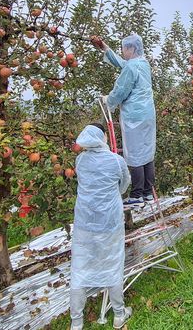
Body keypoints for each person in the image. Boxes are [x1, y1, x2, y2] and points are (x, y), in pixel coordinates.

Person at [69, 124, 132, 330]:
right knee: (113, 264)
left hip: (85, 223)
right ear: (103, 137)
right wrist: (114, 195)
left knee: (80, 268)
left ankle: (76, 323)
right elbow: (125, 184)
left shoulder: (80, 160)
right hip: (110, 222)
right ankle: (119, 315)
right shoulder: (116, 160)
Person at [92, 34, 156, 208]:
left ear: (132, 48)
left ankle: (136, 195)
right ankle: (148, 192)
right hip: (148, 115)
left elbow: (121, 90)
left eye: (124, 48)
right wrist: (105, 48)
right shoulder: (143, 64)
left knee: (135, 154)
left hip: (135, 117)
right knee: (147, 152)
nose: (123, 51)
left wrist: (108, 100)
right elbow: (123, 64)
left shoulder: (132, 68)